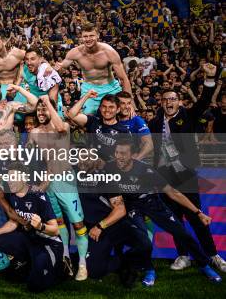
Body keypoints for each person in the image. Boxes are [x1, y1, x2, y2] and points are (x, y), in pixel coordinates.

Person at [111, 139, 222, 285]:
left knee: (182, 233)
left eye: (124, 153)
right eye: (117, 152)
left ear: (133, 155)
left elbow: (173, 193)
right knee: (143, 241)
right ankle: (149, 270)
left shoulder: (146, 170)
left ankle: (204, 265)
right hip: (132, 207)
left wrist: (198, 212)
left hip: (152, 203)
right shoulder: (110, 168)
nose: (119, 156)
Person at [148, 90, 226, 273]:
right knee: (175, 221)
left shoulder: (188, 115)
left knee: (196, 218)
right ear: (161, 102)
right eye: (165, 99)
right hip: (165, 179)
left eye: (173, 99)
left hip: (186, 177)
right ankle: (183, 255)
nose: (169, 102)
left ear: (179, 102)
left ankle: (213, 255)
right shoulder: (154, 122)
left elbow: (203, 102)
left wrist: (209, 79)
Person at [28, 95, 89, 281]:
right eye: (38, 109)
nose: (40, 112)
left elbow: (61, 127)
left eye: (44, 108)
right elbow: (29, 158)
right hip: (48, 184)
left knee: (78, 224)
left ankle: (82, 265)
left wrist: (48, 102)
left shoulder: (63, 127)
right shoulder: (35, 133)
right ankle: (65, 259)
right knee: (59, 222)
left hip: (65, 180)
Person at [75, 156, 152, 287]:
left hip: (113, 225)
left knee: (145, 244)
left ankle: (130, 263)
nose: (83, 160)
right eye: (79, 156)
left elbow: (120, 209)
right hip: (95, 232)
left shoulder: (106, 178)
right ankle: (121, 263)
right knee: (94, 271)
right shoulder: (72, 176)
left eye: (87, 156)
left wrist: (100, 226)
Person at [0, 164, 64, 293]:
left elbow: (55, 230)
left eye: (13, 177)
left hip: (48, 243)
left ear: (24, 177)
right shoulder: (12, 195)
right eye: (8, 177)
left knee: (35, 286)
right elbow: (13, 222)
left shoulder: (38, 195)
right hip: (29, 239)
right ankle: (26, 260)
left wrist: (40, 226)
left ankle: (61, 267)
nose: (10, 181)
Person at [55, 24, 131, 114]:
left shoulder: (109, 52)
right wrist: (57, 67)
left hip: (110, 88)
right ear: (81, 37)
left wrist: (129, 104)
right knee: (88, 117)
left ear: (97, 36)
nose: (88, 39)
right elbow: (61, 66)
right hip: (89, 89)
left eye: (91, 35)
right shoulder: (75, 53)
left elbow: (123, 79)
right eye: (85, 36)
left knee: (120, 115)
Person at [116, 91, 153, 161]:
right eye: (122, 103)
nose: (126, 107)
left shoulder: (137, 120)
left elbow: (149, 144)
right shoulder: (111, 119)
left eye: (129, 103)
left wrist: (136, 159)